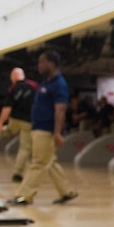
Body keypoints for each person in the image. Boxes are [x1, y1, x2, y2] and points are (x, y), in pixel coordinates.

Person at [11, 48, 78, 206]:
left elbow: (60, 110)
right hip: (38, 127)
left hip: (46, 129)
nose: (38, 65)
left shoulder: (59, 84)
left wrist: (57, 132)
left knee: (39, 163)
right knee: (49, 162)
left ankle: (24, 195)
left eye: (42, 61)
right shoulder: (47, 82)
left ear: (51, 63)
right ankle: (67, 191)